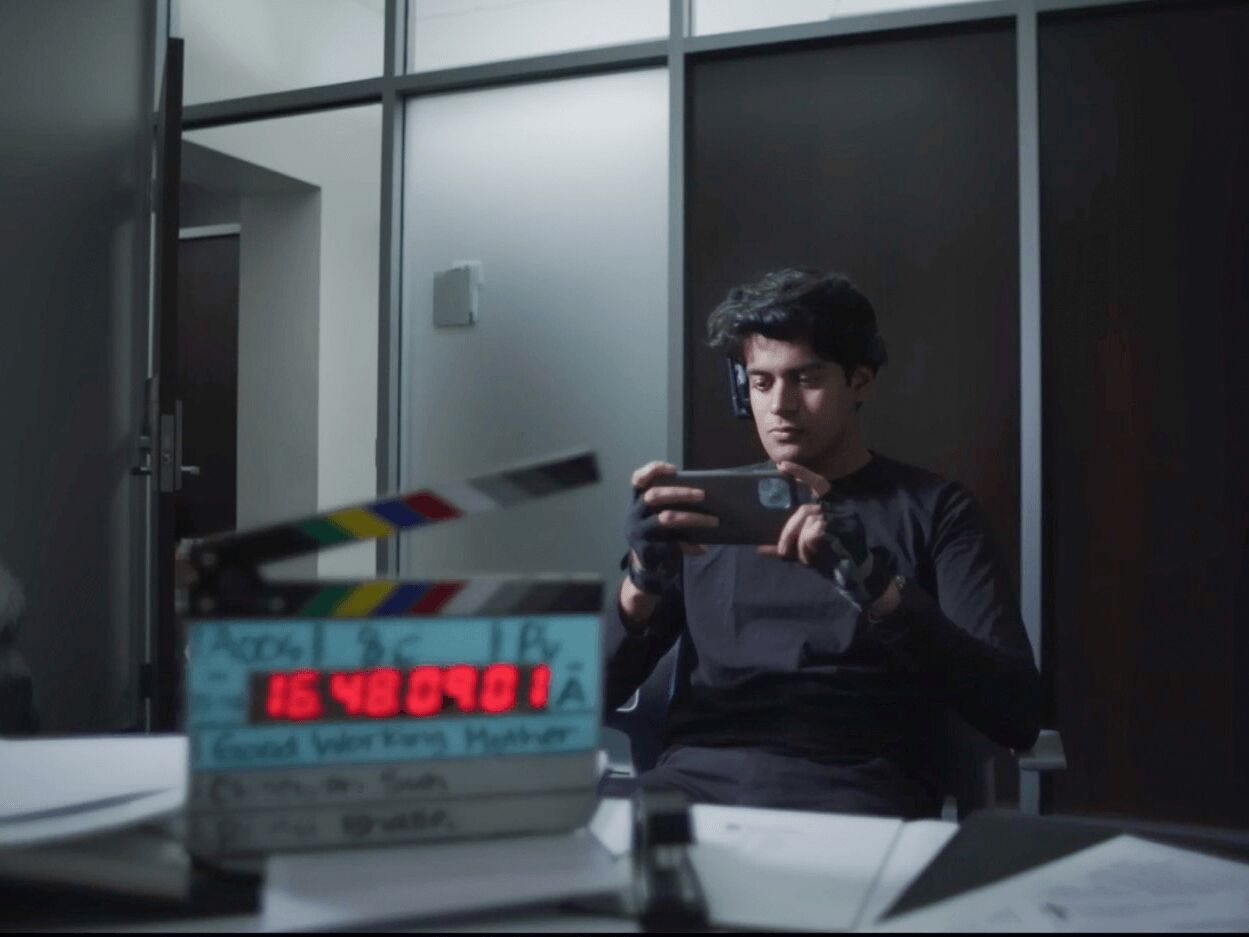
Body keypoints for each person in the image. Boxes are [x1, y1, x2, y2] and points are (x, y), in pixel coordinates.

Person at [604, 268, 1040, 818]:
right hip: (695, 787)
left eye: (805, 379)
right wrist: (641, 583)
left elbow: (1016, 713)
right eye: (761, 383)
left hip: (853, 791)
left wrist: (876, 588)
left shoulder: (936, 512)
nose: (780, 405)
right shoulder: (705, 513)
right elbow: (582, 703)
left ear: (859, 381)